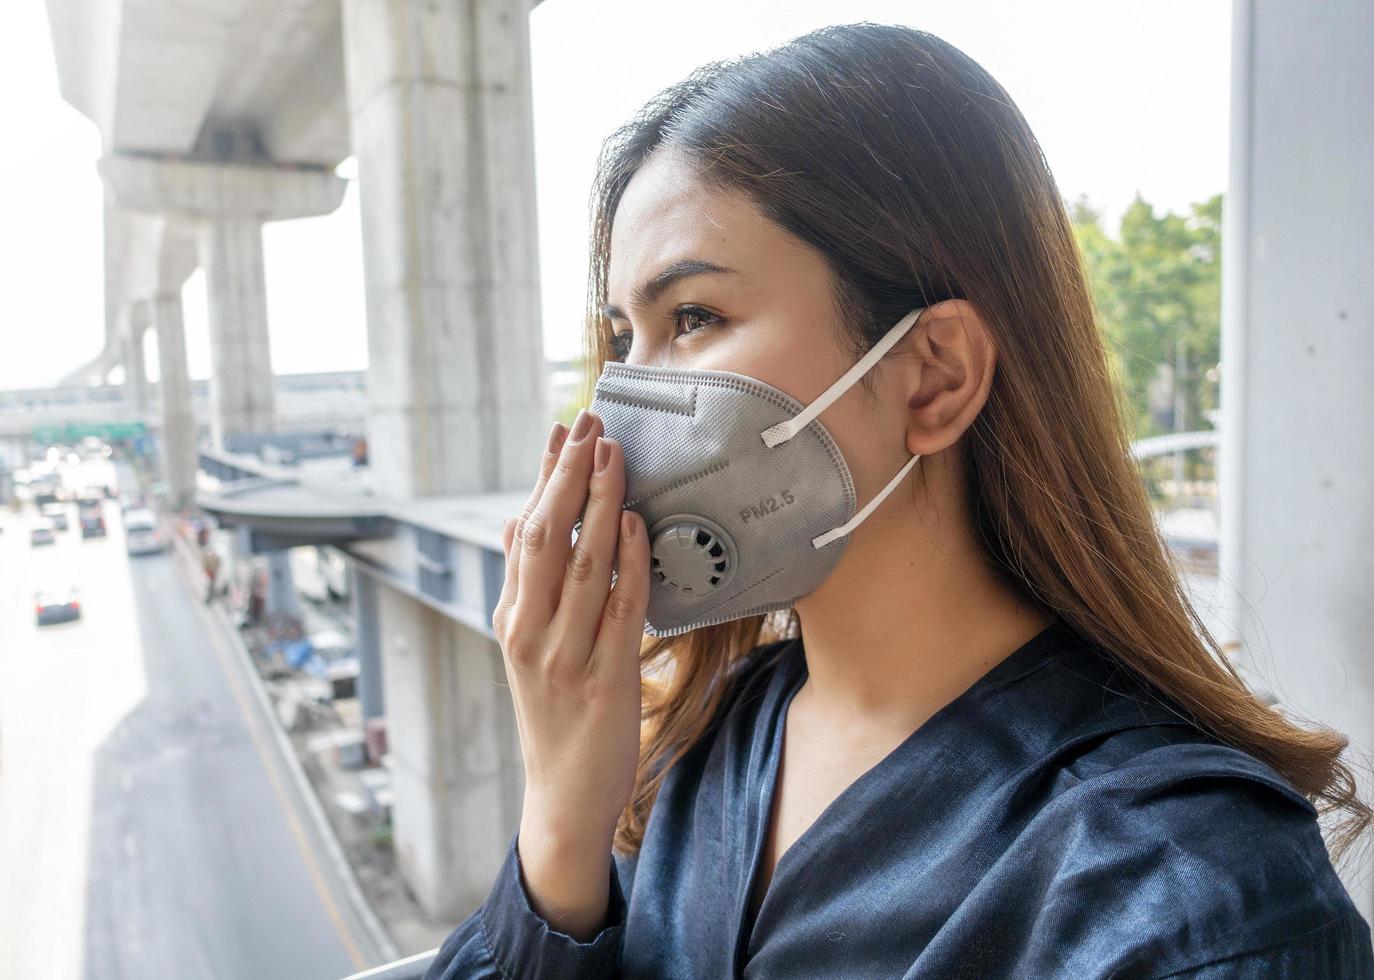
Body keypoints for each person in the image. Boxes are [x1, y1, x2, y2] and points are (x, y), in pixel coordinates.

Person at [427, 23, 1373, 979]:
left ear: (934, 377)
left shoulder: (1190, 897)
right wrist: (558, 825)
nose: (623, 402)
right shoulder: (700, 744)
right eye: (625, 336)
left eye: (695, 318)